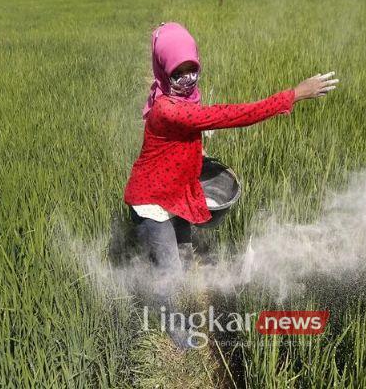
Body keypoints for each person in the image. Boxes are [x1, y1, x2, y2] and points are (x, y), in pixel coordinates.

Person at [123, 22, 338, 348]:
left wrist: (196, 151)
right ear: (164, 69)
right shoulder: (168, 108)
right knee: (170, 272)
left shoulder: (180, 96)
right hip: (153, 201)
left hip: (174, 190)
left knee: (183, 253)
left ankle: (185, 304)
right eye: (178, 72)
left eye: (191, 69)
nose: (187, 78)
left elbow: (184, 135)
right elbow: (230, 115)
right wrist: (293, 95)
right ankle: (177, 335)